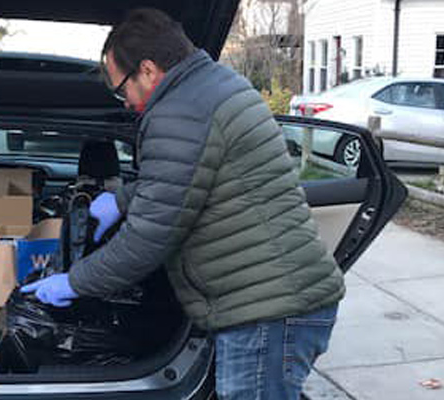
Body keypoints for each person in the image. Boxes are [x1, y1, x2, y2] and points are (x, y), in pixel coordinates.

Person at [22, 8, 345, 399]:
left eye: (120, 88)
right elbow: (183, 177)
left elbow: (145, 243)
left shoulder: (180, 111)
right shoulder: (212, 87)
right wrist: (122, 199)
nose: (123, 101)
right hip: (277, 301)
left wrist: (74, 282)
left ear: (148, 70)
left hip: (266, 311)